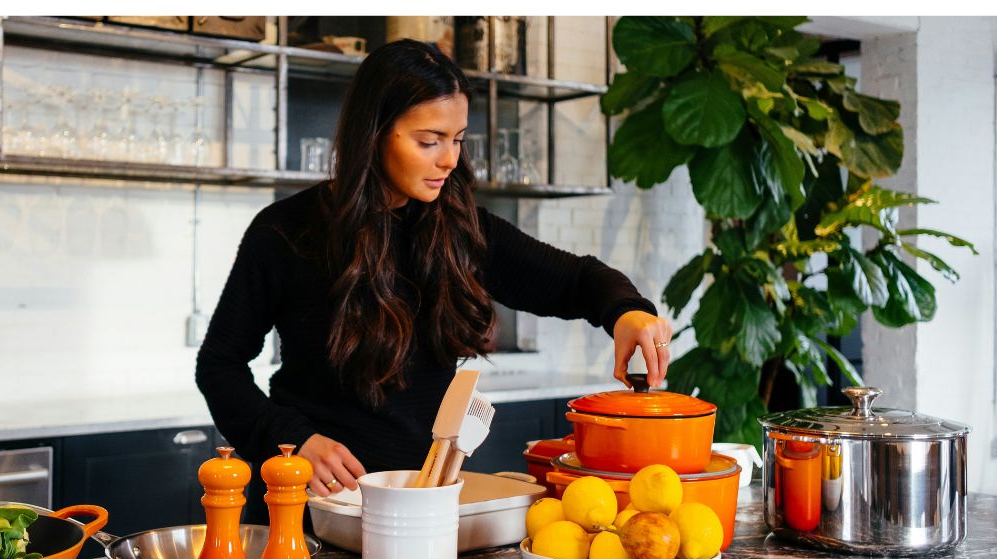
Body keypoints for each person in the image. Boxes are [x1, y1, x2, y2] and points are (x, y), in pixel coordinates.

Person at [196, 39, 672, 525]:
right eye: (429, 141)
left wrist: (626, 310)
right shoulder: (285, 232)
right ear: (375, 133)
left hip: (422, 508)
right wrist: (295, 440)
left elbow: (576, 280)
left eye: (457, 139)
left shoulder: (461, 229)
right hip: (308, 511)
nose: (449, 160)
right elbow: (219, 366)